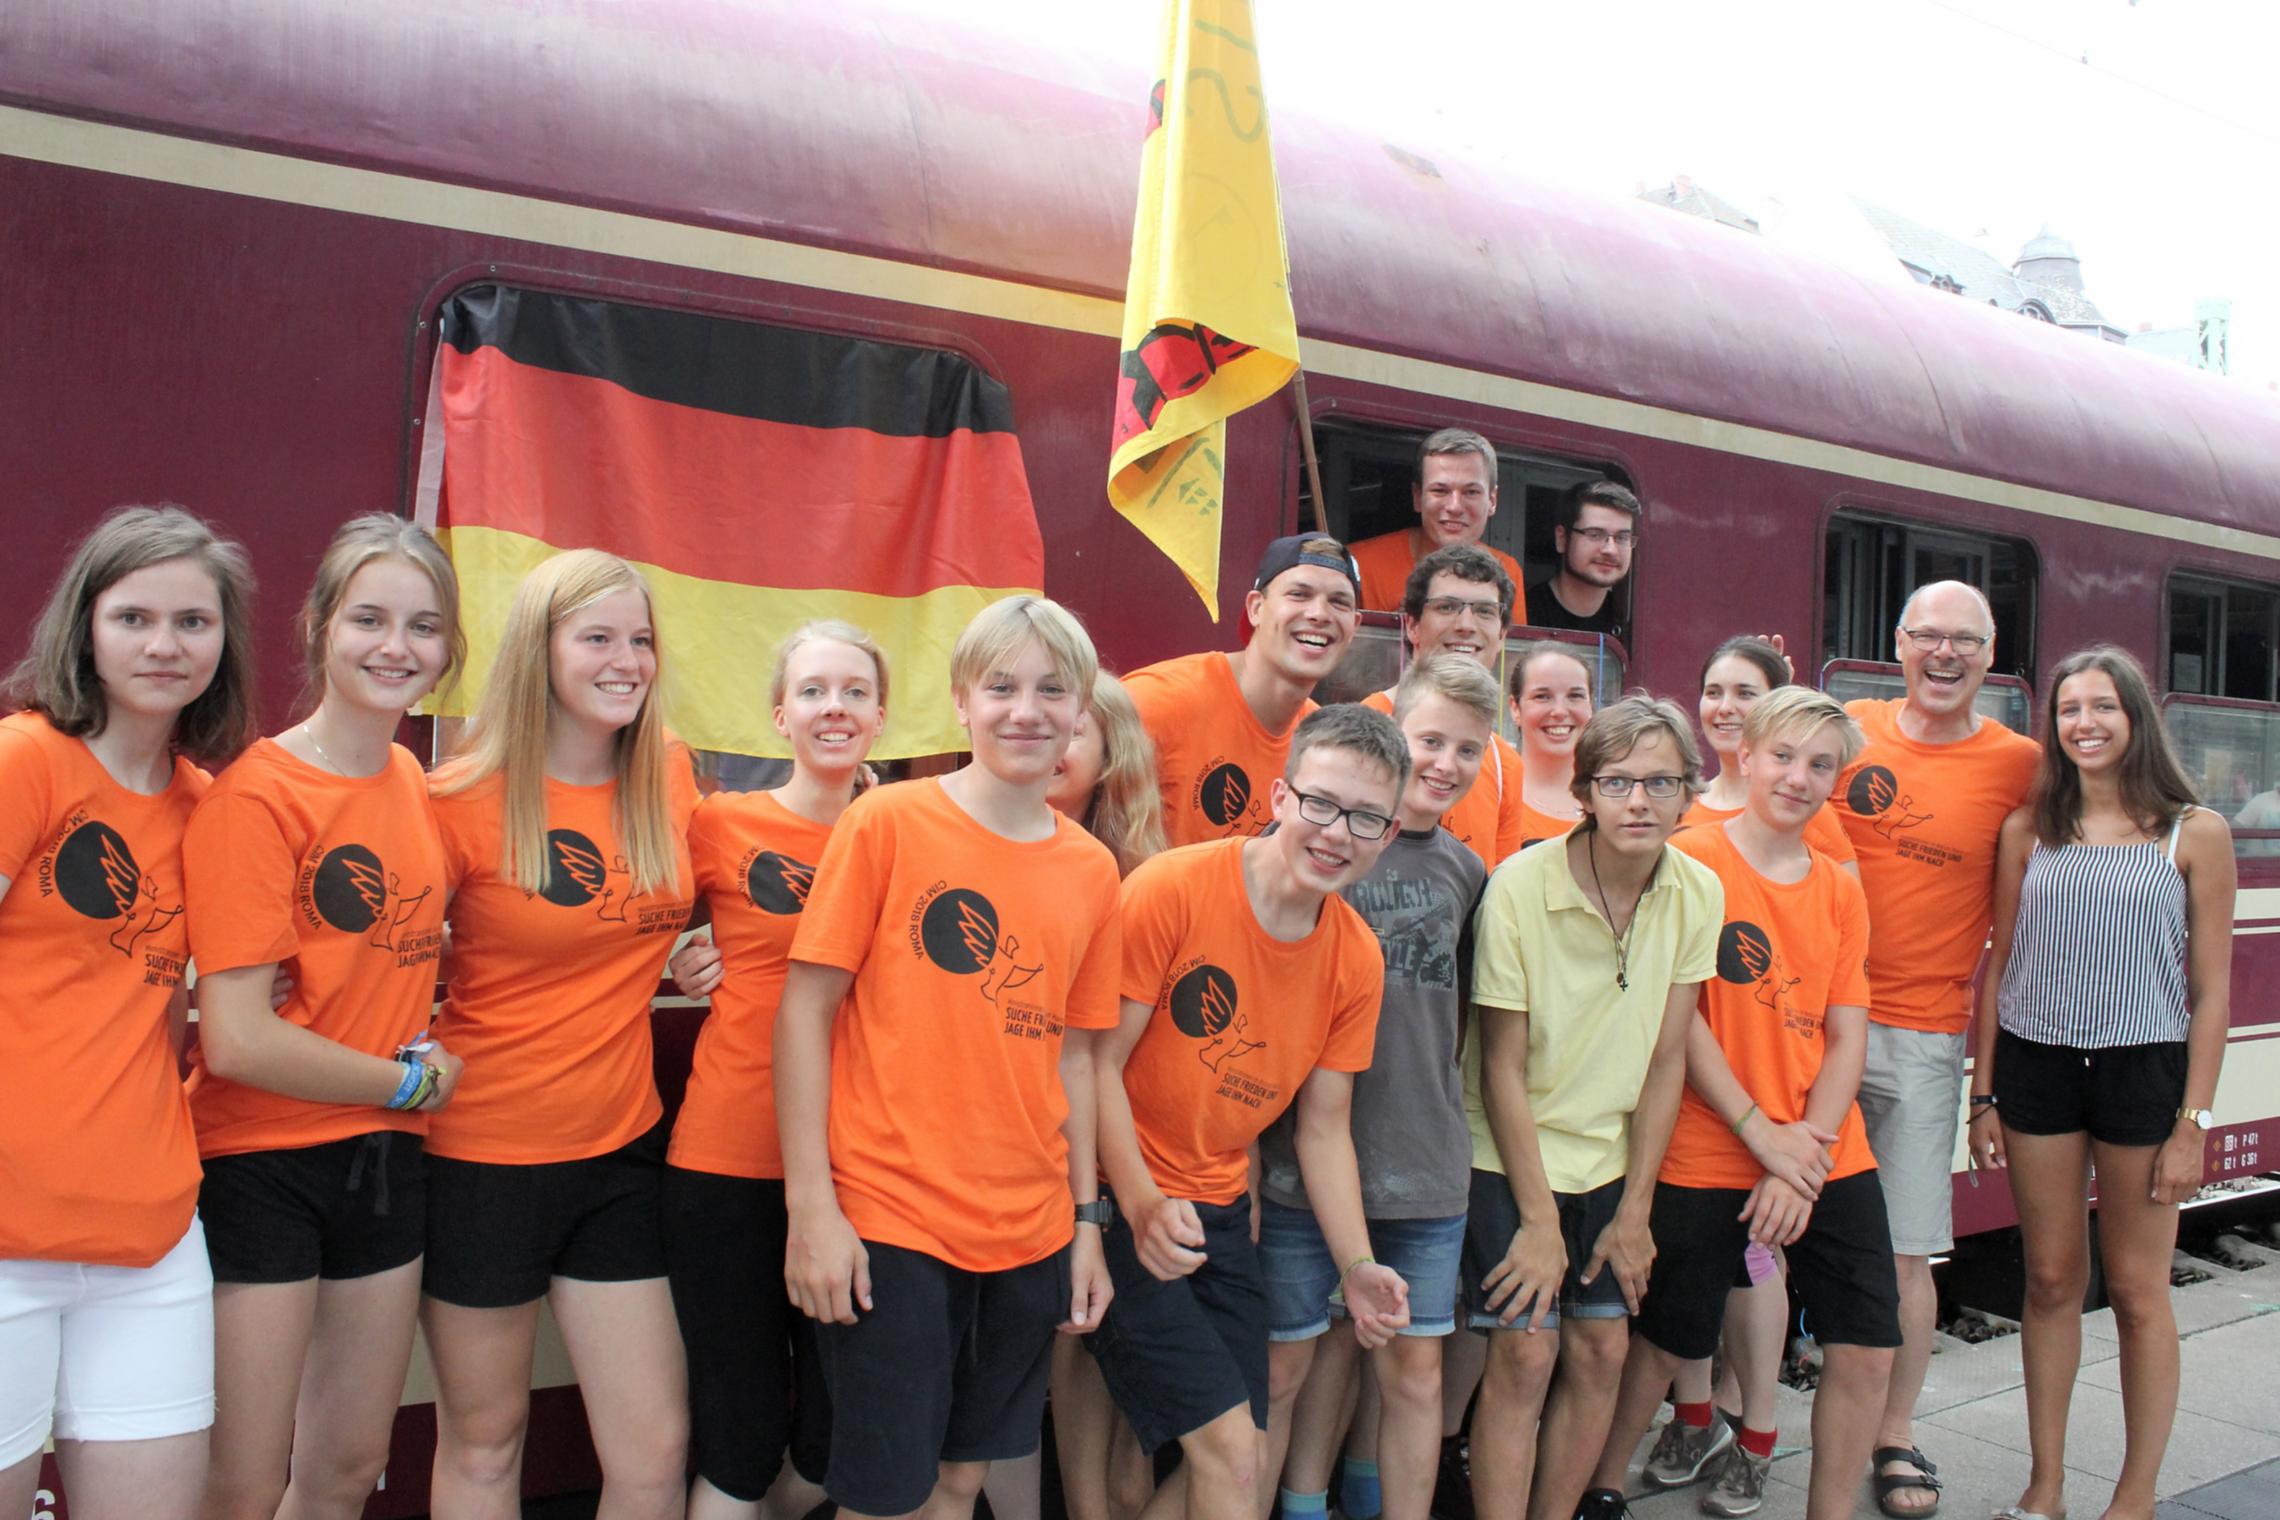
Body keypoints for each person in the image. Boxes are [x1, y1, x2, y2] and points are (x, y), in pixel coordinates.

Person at [776, 595, 1122, 1520]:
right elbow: (806, 1009)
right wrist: (812, 1208)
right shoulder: (887, 823)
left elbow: (1077, 1060)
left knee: (963, 1479)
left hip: (1030, 1227)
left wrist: (1086, 1222)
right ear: (962, 701)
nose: (1026, 709)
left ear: (1080, 708)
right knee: (884, 1495)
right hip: (893, 1215)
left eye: (1052, 689)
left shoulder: (1092, 870)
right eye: (1001, 686)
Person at [182, 516, 462, 1520]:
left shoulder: (410, 780)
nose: (397, 645)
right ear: (317, 628)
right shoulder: (254, 796)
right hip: (263, 1163)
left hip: (385, 1161)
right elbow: (240, 1037)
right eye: (371, 618)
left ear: (448, 650)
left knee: (345, 1466)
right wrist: (407, 1079)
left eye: (424, 625)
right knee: (243, 1479)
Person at [421, 549, 699, 1520]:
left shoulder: (668, 772)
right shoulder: (455, 797)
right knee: (487, 1440)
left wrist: (695, 955)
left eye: (641, 638)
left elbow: (697, 908)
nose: (627, 659)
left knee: (656, 1449)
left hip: (621, 1149)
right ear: (538, 652)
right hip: (482, 1159)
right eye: (597, 638)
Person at [1092, 704, 1414, 1520]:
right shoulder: (1172, 887)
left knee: (1239, 1458)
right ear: (1280, 795)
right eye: (1322, 803)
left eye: (1366, 817)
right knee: (1229, 1456)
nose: (1338, 833)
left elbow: (1324, 1128)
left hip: (1220, 1215)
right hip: (1118, 1198)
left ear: (1390, 830)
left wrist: (1357, 1265)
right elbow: (1094, 1064)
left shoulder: (1356, 957)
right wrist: (1133, 1206)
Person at [1587, 687, 1900, 1520]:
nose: (1800, 776)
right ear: (1747, 756)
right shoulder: (1689, 858)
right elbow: (1673, 1020)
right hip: (1711, 1139)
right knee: (1664, 1345)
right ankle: (1605, 1483)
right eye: (1785, 756)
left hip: (1822, 1147)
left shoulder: (1838, 887)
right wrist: (1761, 1135)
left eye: (1820, 764)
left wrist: (1803, 1158)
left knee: (1867, 1347)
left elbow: (1846, 1035)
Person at [0, 505, 256, 1520]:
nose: (164, 644)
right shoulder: (26, 758)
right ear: (85, 627)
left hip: (150, 1236)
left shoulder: (208, 803)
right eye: (134, 616)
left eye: (193, 621)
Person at [1969, 646, 2234, 1520]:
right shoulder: (2028, 831)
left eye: (2103, 707)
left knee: (2135, 1288)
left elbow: (2210, 990)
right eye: (2070, 709)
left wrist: (2193, 1119)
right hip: (2039, 1069)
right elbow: (2000, 967)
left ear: (2135, 718)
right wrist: (1986, 1094)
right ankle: (2044, 1486)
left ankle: (2135, 1495)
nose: (2085, 723)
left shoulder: (2192, 832)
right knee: (2048, 1281)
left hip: (2143, 1076)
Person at [1462, 695, 1720, 1520]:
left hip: (1607, 1156)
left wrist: (1636, 1209)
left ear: (1689, 795)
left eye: (1661, 782)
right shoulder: (1519, 887)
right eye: (1617, 782)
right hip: (1507, 1152)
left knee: (1605, 1346)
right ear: (1585, 793)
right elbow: (1499, 1067)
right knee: (1526, 1353)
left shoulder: (1697, 892)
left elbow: (1667, 1056)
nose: (1639, 801)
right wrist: (1538, 1223)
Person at [659, 622, 889, 1520]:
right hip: (727, 1161)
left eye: (854, 691)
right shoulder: (722, 824)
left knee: (836, 1437)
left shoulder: (909, 829)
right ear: (778, 716)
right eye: (813, 691)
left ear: (881, 716)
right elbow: (631, 929)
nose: (834, 707)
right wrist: (678, 955)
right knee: (739, 1434)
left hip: (861, 1170)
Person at [1258, 658, 1495, 1520]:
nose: (1445, 762)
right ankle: (1303, 1501)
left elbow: (1470, 1024)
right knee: (1300, 1357)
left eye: (1467, 749)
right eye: (1429, 740)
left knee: (1412, 1366)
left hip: (1421, 1156)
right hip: (1306, 1155)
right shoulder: (1322, 848)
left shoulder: (1469, 874)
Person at [1830, 581, 2039, 1519]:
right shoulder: (1850, 728)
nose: (1944, 654)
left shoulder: (2020, 765)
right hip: (1808, 1018)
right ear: (1898, 643)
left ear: (1990, 657)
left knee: (1909, 1254)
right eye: (1927, 636)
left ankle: (1895, 1433)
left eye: (1965, 640)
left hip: (1921, 1036)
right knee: (1752, 1231)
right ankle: (1736, 1415)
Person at [1036, 671, 1167, 1520]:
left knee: (1126, 1370)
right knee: (1069, 1344)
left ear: (1110, 756)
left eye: (1072, 730)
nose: (1046, 740)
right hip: (1032, 1149)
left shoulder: (1144, 879)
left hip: (1124, 1154)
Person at [1126, 536, 1359, 847]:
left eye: (1339, 602)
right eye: (1299, 594)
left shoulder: (1323, 742)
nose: (1319, 613)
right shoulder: (1155, 702)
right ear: (1256, 609)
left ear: (1355, 626)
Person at [1360, 545, 1527, 869]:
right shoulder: (1363, 730)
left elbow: (1495, 891)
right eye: (1447, 607)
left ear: (1503, 634)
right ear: (1413, 626)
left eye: (1484, 611)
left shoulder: (1504, 763)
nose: (1466, 624)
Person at [1689, 636, 1857, 870]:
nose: (1725, 708)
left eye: (1745, 694)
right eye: (1713, 693)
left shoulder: (1804, 810)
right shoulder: (1681, 808)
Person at [1347, 429, 1528, 618]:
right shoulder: (1360, 564)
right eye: (1440, 491)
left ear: (1492, 501)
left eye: (1471, 492)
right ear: (1417, 497)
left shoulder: (1506, 570)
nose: (1454, 507)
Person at [1524, 482, 1638, 644]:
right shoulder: (1523, 611)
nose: (1610, 550)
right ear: (1562, 539)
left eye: (1622, 538)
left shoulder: (1634, 623)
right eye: (1595, 534)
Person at [1509, 642, 1594, 848]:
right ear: (1515, 708)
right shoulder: (1495, 792)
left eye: (1575, 696)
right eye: (1542, 697)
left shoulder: (1615, 797)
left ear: (1591, 704)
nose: (1559, 711)